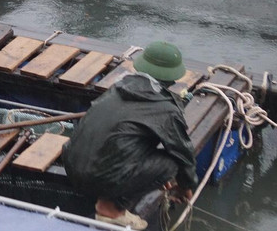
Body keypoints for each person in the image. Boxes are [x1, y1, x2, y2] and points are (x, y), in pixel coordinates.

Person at [61, 41, 198, 230]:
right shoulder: (166, 110)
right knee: (171, 163)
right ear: (173, 77)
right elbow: (183, 154)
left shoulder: (116, 89)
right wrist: (186, 185)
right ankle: (111, 210)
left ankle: (107, 200)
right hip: (98, 177)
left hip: (73, 167)